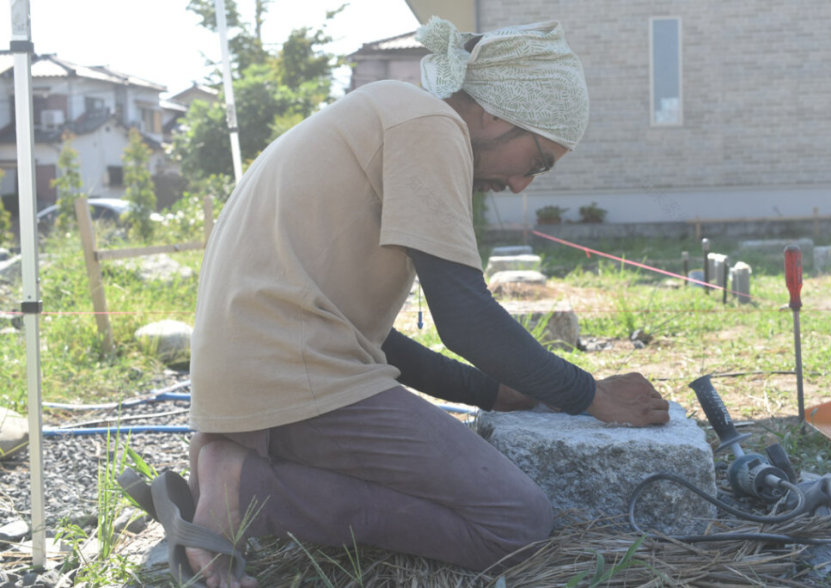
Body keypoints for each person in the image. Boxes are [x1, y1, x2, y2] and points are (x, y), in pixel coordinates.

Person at [184, 16, 670, 587]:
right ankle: (250, 493)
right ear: (493, 113)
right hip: (293, 379)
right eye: (537, 160)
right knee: (516, 523)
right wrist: (590, 395)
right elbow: (465, 318)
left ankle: (243, 474)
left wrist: (490, 390)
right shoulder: (430, 126)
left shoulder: (386, 114)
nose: (521, 186)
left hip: (260, 374)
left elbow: (369, 336)